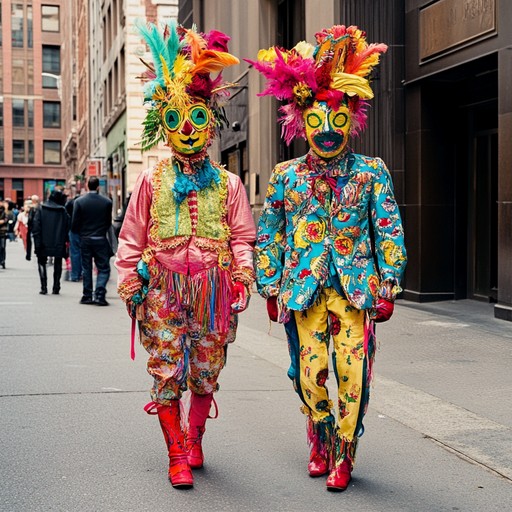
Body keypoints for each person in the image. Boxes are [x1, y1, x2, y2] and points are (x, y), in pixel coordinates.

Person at [250, 25, 407, 491]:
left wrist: (387, 284)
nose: (326, 130)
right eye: (316, 120)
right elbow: (269, 236)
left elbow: (389, 231)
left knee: (353, 376)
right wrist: (269, 286)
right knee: (311, 375)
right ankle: (318, 435)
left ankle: (344, 450)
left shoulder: (372, 171)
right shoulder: (285, 175)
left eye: (336, 119)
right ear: (301, 122)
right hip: (302, 289)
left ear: (351, 117)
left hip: (356, 291)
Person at [115, 21, 255, 489]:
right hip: (162, 292)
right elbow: (132, 236)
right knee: (166, 370)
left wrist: (243, 276)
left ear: (211, 123)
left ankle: (195, 439)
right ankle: (175, 451)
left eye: (197, 119)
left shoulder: (230, 184)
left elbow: (241, 237)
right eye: (177, 121)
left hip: (213, 292)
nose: (188, 131)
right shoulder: (151, 182)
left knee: (207, 370)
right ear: (165, 126)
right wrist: (130, 282)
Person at [71, 176, 113, 306]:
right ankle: (100, 294)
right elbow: (107, 222)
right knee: (104, 268)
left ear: (87, 186)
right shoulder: (107, 202)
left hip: (86, 239)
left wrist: (81, 234)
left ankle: (87, 295)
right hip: (100, 238)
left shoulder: (79, 202)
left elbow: (74, 224)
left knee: (86, 267)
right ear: (98, 187)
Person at [32, 188, 70, 295]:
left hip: (43, 241)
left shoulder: (41, 209)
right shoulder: (62, 211)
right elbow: (67, 227)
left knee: (41, 262)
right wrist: (65, 241)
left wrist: (37, 242)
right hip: (58, 241)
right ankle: (56, 286)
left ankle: (44, 287)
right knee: (58, 261)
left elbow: (36, 227)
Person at [65, 194, 82, 281]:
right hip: (84, 230)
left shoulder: (70, 203)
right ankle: (82, 273)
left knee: (75, 253)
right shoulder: (84, 203)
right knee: (84, 253)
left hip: (73, 230)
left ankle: (75, 275)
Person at [26, 195, 40, 261]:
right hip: (37, 227)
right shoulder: (40, 207)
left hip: (32, 227)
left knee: (30, 241)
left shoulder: (33, 208)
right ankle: (36, 251)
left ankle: (29, 254)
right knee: (34, 240)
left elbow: (30, 218)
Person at [0, 202, 8, 268]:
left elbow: (5, 220)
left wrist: (3, 221)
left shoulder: (4, 213)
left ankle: (3, 261)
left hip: (3, 232)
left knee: (2, 247)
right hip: (2, 231)